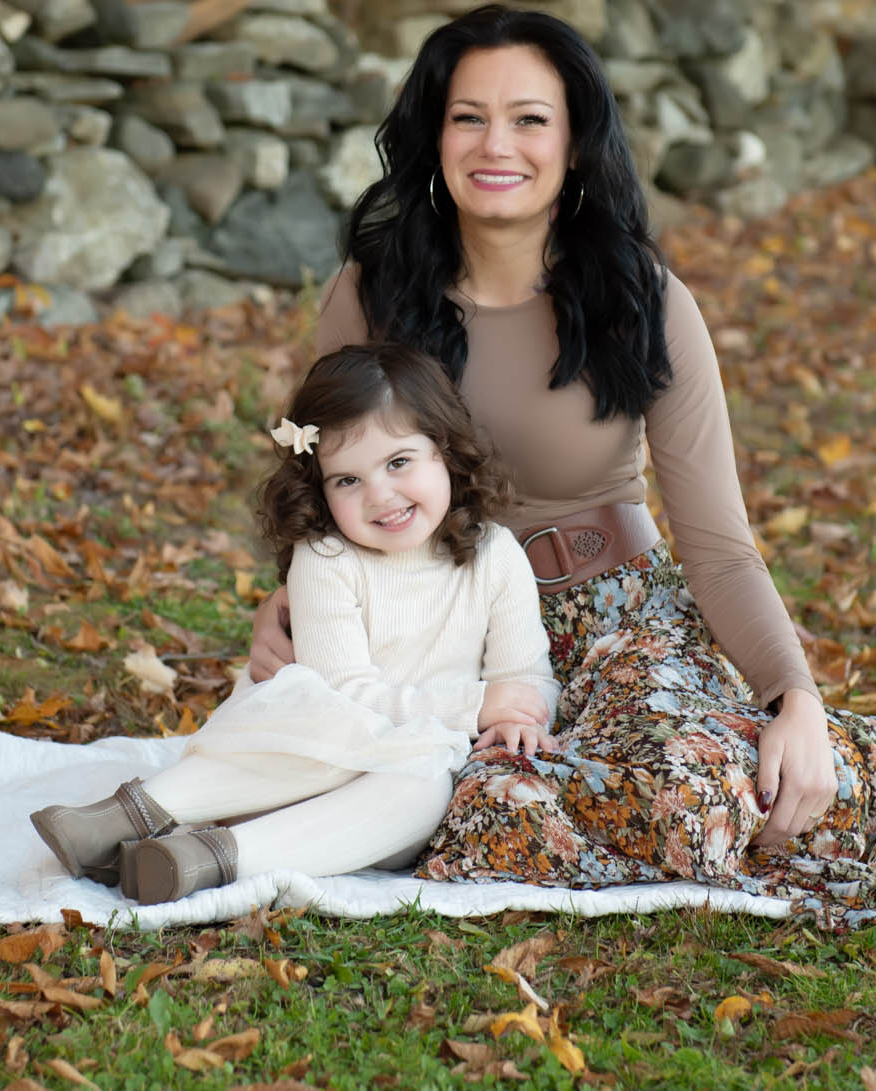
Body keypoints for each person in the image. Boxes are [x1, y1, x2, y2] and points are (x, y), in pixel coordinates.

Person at [246, 4, 876, 929]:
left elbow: (718, 543)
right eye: (469, 116)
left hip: (615, 614)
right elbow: (325, 481)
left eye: (530, 118)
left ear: (576, 142)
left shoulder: (642, 300)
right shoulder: (369, 292)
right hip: (437, 636)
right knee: (467, 817)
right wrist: (291, 600)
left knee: (680, 788)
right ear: (435, 133)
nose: (496, 143)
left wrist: (798, 698)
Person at [32, 342, 559, 904]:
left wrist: (521, 717)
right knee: (325, 724)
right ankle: (129, 815)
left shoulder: (495, 556)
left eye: (398, 462)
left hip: (374, 805)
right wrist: (475, 707)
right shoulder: (326, 558)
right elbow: (345, 695)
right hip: (292, 767)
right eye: (346, 481)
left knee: (425, 789)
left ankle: (206, 860)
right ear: (320, 488)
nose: (380, 495)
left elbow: (526, 674)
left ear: (447, 453)